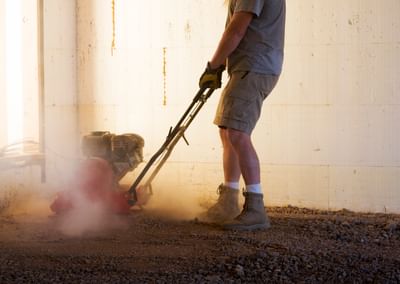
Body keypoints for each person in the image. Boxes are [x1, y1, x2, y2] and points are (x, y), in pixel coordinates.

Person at [198, 0, 286, 230]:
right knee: (228, 131)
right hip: (247, 67)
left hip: (254, 66)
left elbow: (237, 29)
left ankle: (256, 208)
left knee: (237, 132)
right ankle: (229, 199)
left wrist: (213, 66)